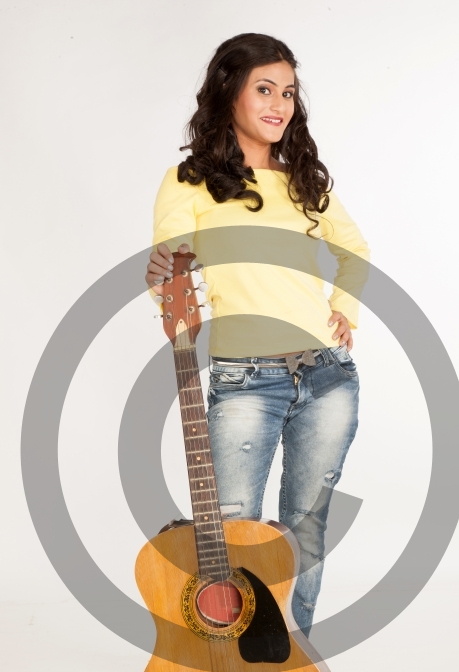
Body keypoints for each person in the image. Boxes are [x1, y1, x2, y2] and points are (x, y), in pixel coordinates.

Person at [145, 33, 369, 637]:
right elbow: (170, 268)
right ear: (229, 95)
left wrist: (342, 307)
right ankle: (236, 666)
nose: (279, 104)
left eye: (288, 92)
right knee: (234, 531)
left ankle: (293, 666)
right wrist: (163, 270)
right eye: (264, 89)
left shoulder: (302, 180)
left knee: (305, 527)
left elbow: (355, 252)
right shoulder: (187, 182)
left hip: (327, 375)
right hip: (247, 378)